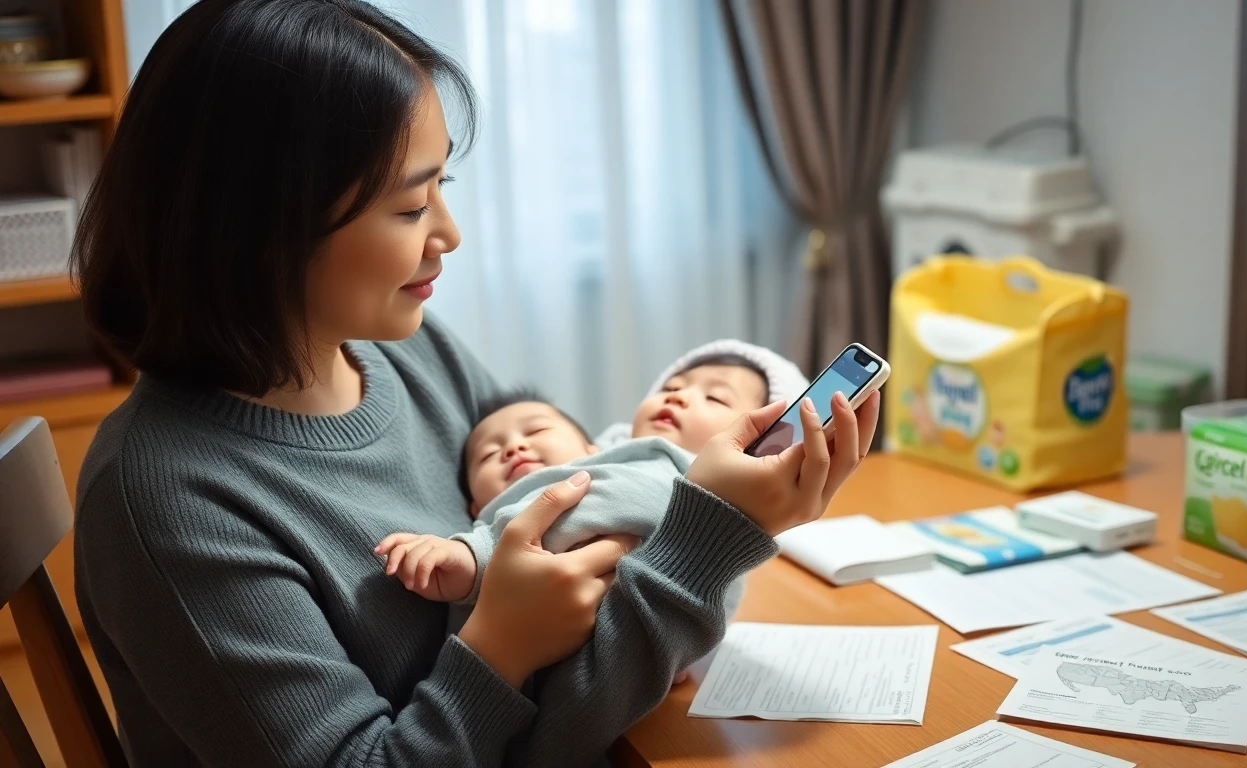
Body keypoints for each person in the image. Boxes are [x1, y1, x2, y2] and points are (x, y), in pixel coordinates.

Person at [69, 1, 880, 767]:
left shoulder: (397, 354)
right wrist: (503, 643)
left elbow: (559, 699)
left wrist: (671, 504)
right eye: (408, 207)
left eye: (440, 190)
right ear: (261, 229)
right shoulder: (171, 499)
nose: (447, 236)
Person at [377, 350, 792, 610]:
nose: (676, 396)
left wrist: (478, 555)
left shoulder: (665, 468)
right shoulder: (638, 460)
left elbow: (598, 502)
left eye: (714, 397)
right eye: (671, 386)